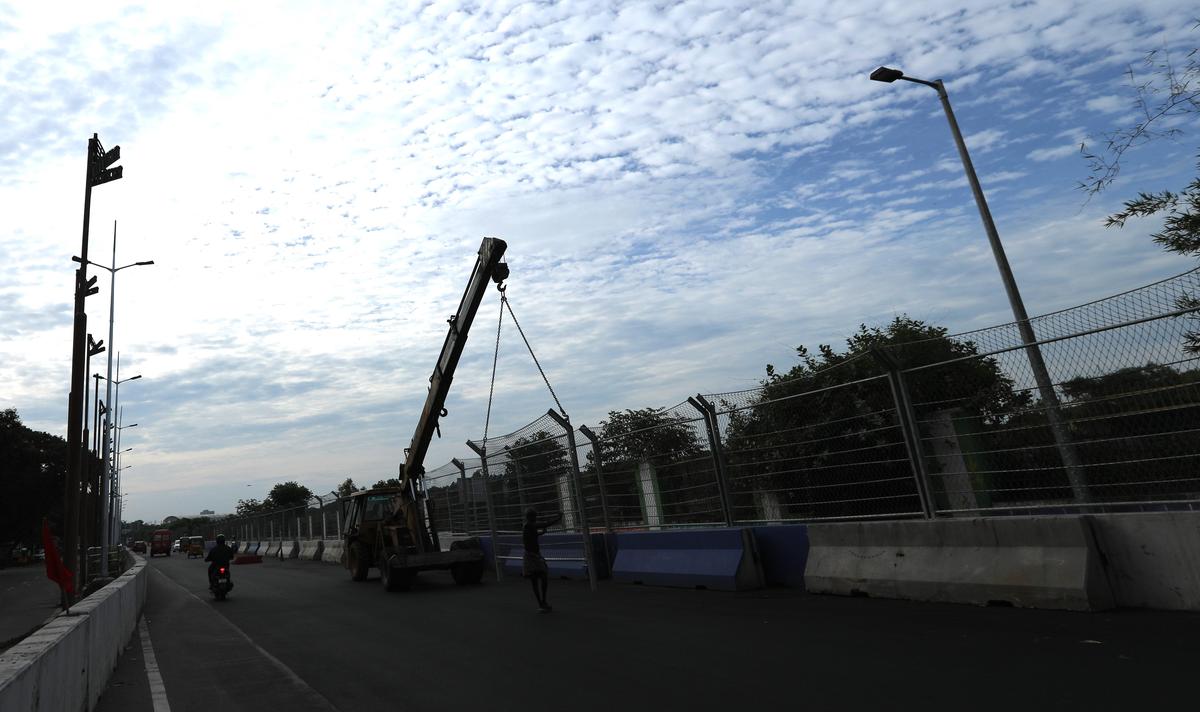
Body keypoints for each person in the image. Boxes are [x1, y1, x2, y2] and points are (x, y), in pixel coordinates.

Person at [522, 509, 562, 612]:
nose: (535, 519)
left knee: (538, 579)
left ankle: (542, 602)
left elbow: (531, 536)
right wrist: (557, 518)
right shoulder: (529, 525)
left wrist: (540, 533)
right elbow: (545, 524)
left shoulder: (528, 526)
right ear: (531, 517)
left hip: (533, 555)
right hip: (532, 556)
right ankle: (542, 602)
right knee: (540, 577)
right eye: (534, 517)